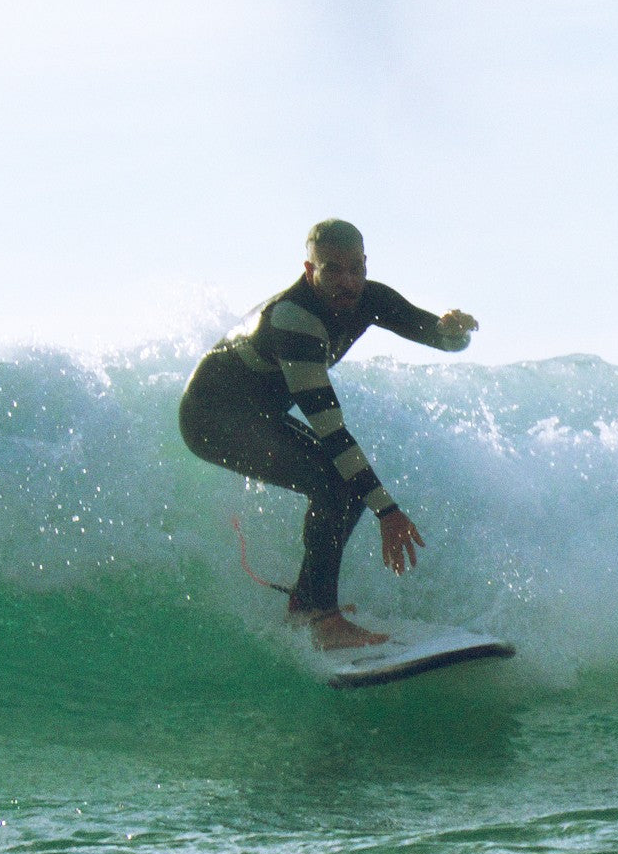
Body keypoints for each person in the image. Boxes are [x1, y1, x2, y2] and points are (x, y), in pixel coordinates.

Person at [179, 219, 477, 650]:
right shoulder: (293, 319)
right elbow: (332, 433)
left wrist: (455, 332)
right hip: (213, 418)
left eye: (356, 268)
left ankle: (309, 606)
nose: (347, 282)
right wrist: (388, 512)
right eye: (332, 270)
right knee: (337, 483)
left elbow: (442, 339)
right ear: (309, 270)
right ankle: (321, 618)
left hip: (261, 413)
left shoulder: (370, 298)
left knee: (343, 484)